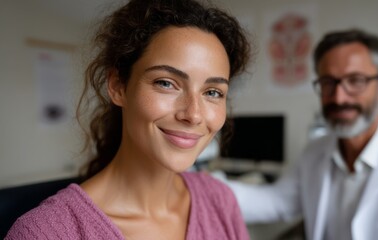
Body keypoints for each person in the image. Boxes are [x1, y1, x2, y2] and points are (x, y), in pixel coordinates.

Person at [6, 0, 251, 239]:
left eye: (212, 92)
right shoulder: (45, 233)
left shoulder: (220, 200)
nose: (193, 114)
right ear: (118, 86)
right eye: (166, 83)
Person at [225, 29, 378, 240]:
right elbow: (276, 202)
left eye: (356, 80)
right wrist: (199, 185)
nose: (339, 98)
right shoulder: (316, 151)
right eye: (328, 82)